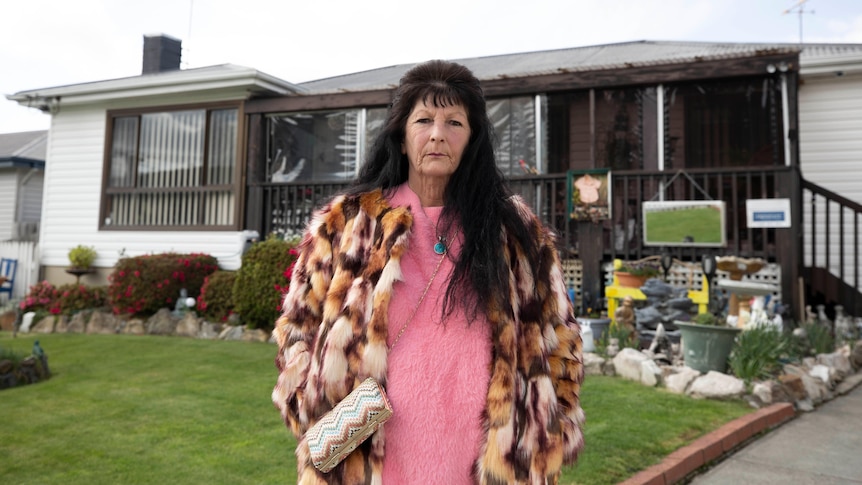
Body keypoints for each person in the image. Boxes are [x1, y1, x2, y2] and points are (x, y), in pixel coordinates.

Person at [272, 59, 584, 485]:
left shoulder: (513, 231)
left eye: (455, 122)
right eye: (424, 119)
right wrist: (309, 405)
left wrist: (551, 426)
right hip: (369, 462)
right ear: (401, 137)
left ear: (471, 139)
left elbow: (560, 336)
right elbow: (297, 327)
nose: (438, 133)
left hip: (488, 464)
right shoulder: (349, 226)